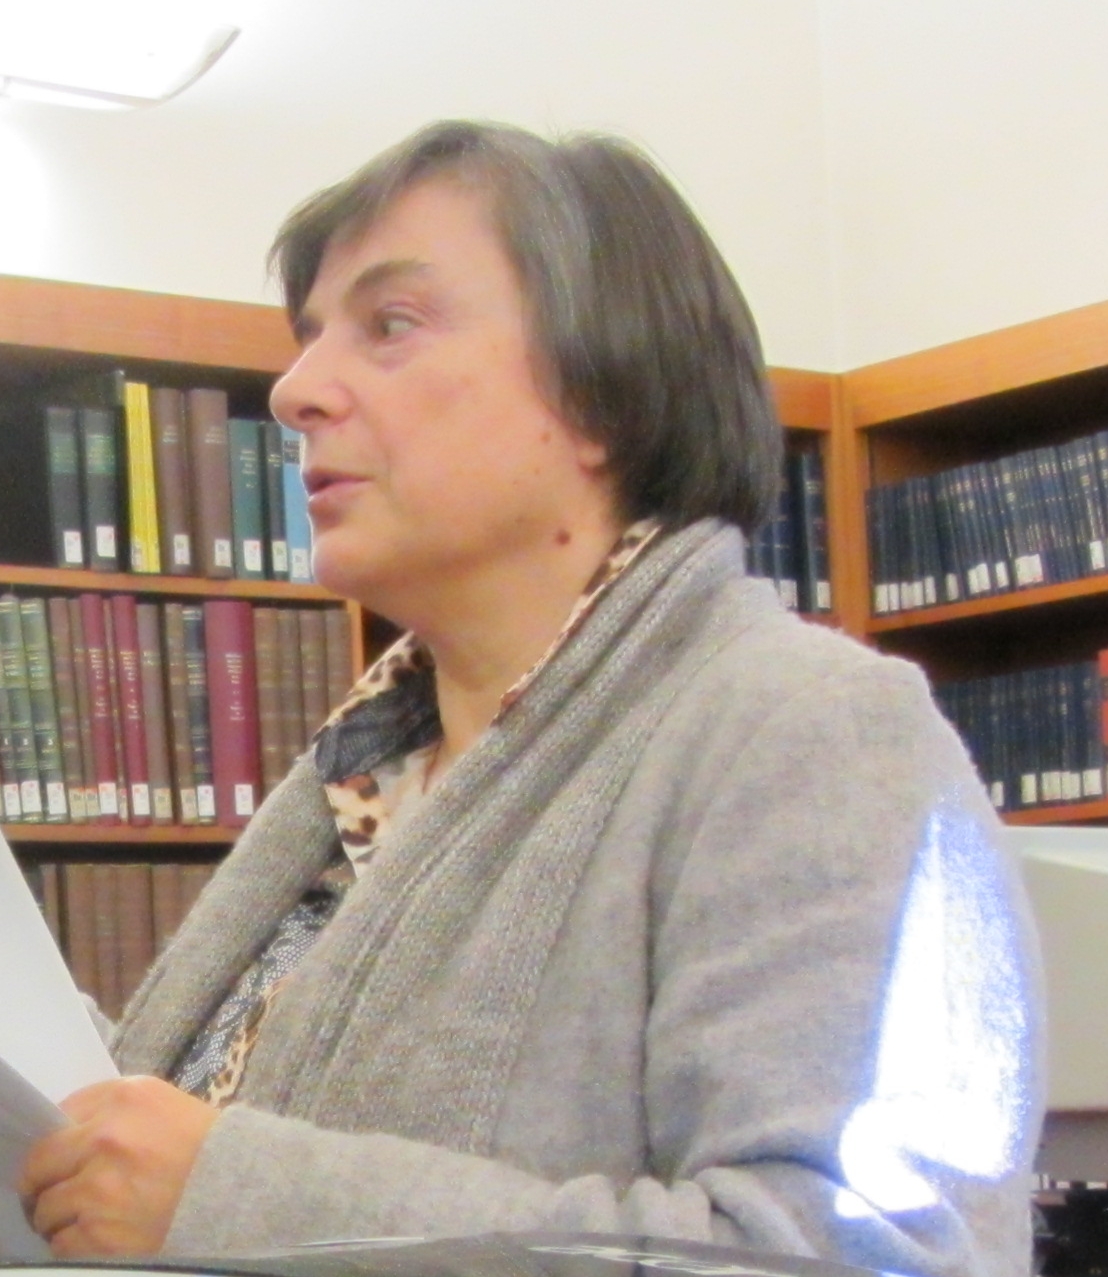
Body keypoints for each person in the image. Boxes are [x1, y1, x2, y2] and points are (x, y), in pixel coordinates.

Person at [18, 120, 1044, 1277]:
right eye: (307, 338)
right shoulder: (357, 775)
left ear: (605, 389)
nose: (296, 390)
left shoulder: (812, 730)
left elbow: (881, 1258)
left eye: (390, 323)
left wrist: (238, 1198)